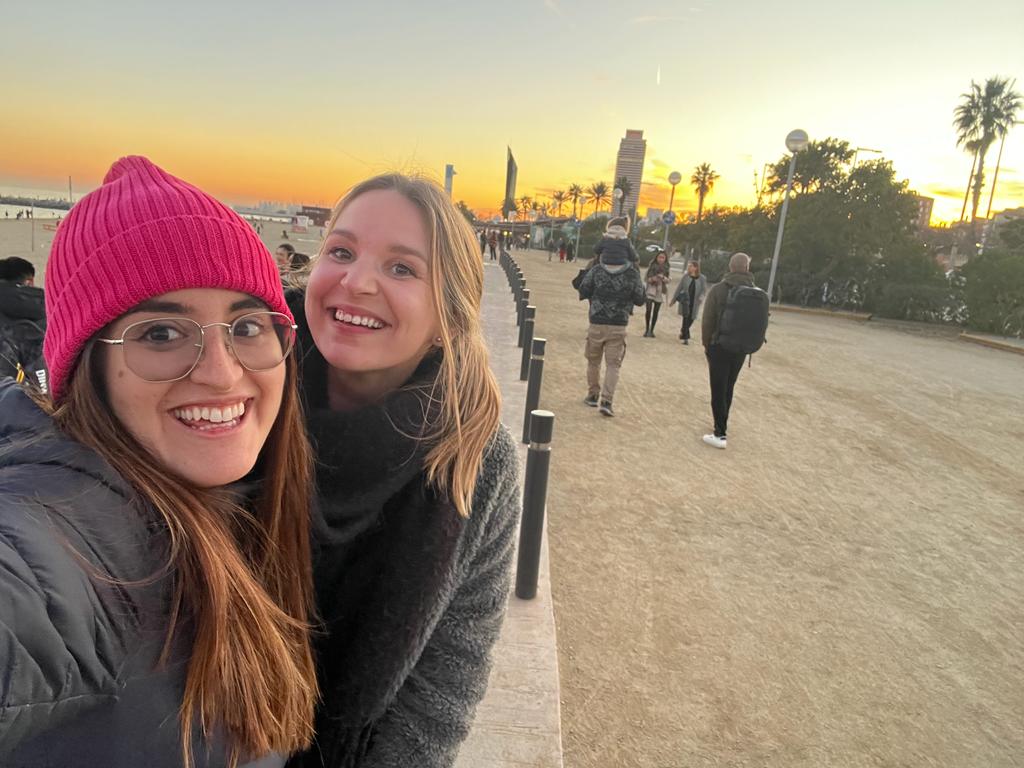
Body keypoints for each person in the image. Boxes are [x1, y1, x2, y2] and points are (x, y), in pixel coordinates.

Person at [0, 156, 318, 767]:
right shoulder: (73, 540)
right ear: (86, 366)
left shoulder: (226, 500)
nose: (223, 373)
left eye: (247, 325)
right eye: (161, 335)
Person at [286, 173, 521, 767]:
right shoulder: (243, 383)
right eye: (340, 251)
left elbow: (451, 669)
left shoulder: (474, 456)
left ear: (448, 315)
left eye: (402, 269)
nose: (356, 281)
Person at [577, 237, 645, 417]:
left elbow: (583, 290)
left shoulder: (597, 270)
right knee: (613, 365)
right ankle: (607, 400)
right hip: (618, 324)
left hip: (597, 322)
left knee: (593, 361)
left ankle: (592, 395)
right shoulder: (631, 273)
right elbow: (640, 299)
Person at [701, 251, 762, 449]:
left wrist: (706, 344)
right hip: (742, 346)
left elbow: (708, 320)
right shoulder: (754, 291)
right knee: (729, 386)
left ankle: (720, 432)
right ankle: (722, 423)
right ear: (747, 268)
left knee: (717, 387)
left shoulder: (719, 290)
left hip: (719, 345)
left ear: (730, 267)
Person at [670, 258, 708, 345]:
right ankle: (686, 338)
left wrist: (701, 297)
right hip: (685, 301)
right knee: (685, 318)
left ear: (696, 268)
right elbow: (679, 288)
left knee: (691, 318)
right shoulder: (685, 277)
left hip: (695, 302)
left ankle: (683, 331)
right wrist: (674, 300)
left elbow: (704, 290)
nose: (689, 268)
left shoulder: (702, 278)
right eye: (688, 266)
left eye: (690, 266)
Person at [642, 249, 671, 337]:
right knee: (648, 310)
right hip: (650, 290)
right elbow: (646, 279)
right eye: (659, 257)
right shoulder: (651, 266)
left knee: (655, 312)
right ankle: (647, 329)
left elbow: (669, 280)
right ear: (656, 258)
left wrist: (663, 278)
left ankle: (652, 330)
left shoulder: (667, 268)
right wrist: (653, 278)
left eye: (663, 258)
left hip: (660, 291)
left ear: (665, 259)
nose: (661, 259)